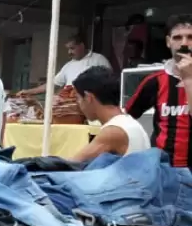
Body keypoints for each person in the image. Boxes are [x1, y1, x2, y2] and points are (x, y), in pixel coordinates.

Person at [127, 14, 192, 167]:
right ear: (168, 42)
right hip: (163, 169)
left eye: (190, 37)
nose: (184, 43)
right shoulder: (155, 80)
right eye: (177, 38)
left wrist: (188, 78)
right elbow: (127, 116)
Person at [70, 66, 149, 162]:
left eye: (78, 98)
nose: (78, 103)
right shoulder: (127, 122)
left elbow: (72, 164)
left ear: (88, 97)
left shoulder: (113, 131)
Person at [16, 35, 111, 97]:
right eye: (68, 49)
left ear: (81, 45)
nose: (69, 52)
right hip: (70, 108)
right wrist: (29, 92)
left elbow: (108, 84)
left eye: (72, 48)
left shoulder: (99, 60)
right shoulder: (68, 66)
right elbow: (53, 84)